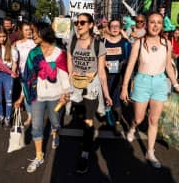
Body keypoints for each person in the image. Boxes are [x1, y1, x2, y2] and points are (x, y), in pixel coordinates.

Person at [120, 12, 179, 168]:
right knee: (139, 119)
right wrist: (125, 87)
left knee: (153, 120)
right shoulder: (139, 43)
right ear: (146, 24)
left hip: (160, 83)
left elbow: (168, 67)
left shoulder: (167, 43)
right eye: (152, 22)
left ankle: (150, 152)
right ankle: (132, 127)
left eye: (158, 22)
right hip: (142, 82)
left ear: (162, 25)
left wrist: (176, 84)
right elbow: (130, 65)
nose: (155, 25)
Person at [67, 13, 112, 174]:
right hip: (76, 88)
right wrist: (67, 89)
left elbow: (101, 73)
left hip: (92, 87)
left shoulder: (99, 44)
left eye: (83, 22)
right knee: (79, 117)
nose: (79, 25)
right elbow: (69, 69)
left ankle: (85, 153)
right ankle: (85, 142)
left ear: (91, 25)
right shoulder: (71, 43)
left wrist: (106, 94)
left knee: (88, 121)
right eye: (77, 22)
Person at [22, 22, 70, 173]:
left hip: (56, 95)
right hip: (38, 96)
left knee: (55, 121)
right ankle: (38, 156)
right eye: (31, 32)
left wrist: (66, 93)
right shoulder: (33, 53)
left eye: (35, 32)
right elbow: (27, 77)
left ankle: (56, 132)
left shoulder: (59, 52)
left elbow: (63, 75)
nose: (32, 34)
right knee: (36, 126)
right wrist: (21, 96)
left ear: (44, 33)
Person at [104, 18, 131, 135]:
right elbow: (96, 57)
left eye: (117, 26)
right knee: (107, 98)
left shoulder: (125, 43)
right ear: (109, 29)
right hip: (106, 76)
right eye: (112, 26)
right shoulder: (102, 42)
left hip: (120, 77)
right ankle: (110, 118)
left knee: (117, 99)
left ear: (120, 28)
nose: (115, 28)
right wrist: (103, 62)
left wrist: (124, 63)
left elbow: (131, 60)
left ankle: (117, 118)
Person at [13, 22, 36, 127]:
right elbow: (14, 60)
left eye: (30, 29)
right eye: (26, 30)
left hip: (35, 73)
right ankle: (30, 116)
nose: (29, 31)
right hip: (22, 72)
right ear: (22, 31)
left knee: (35, 95)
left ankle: (36, 115)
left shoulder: (36, 42)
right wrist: (14, 70)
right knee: (26, 94)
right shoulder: (16, 44)